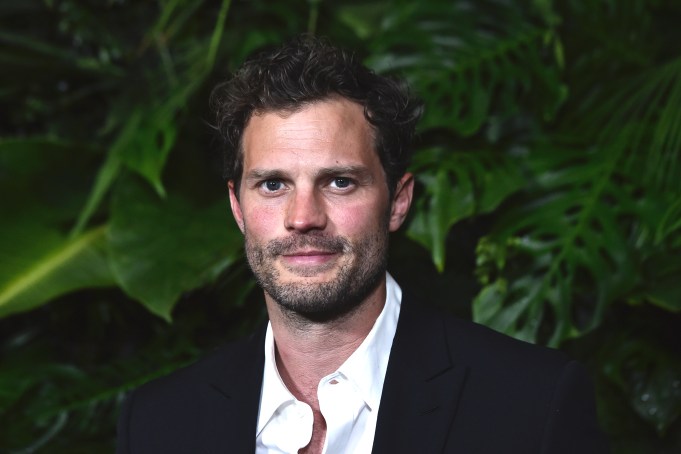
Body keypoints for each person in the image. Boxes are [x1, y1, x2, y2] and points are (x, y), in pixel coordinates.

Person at [116, 35, 608, 454]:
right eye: (273, 185)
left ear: (398, 202)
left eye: (339, 182)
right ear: (237, 208)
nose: (303, 218)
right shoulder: (158, 424)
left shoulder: (533, 404)